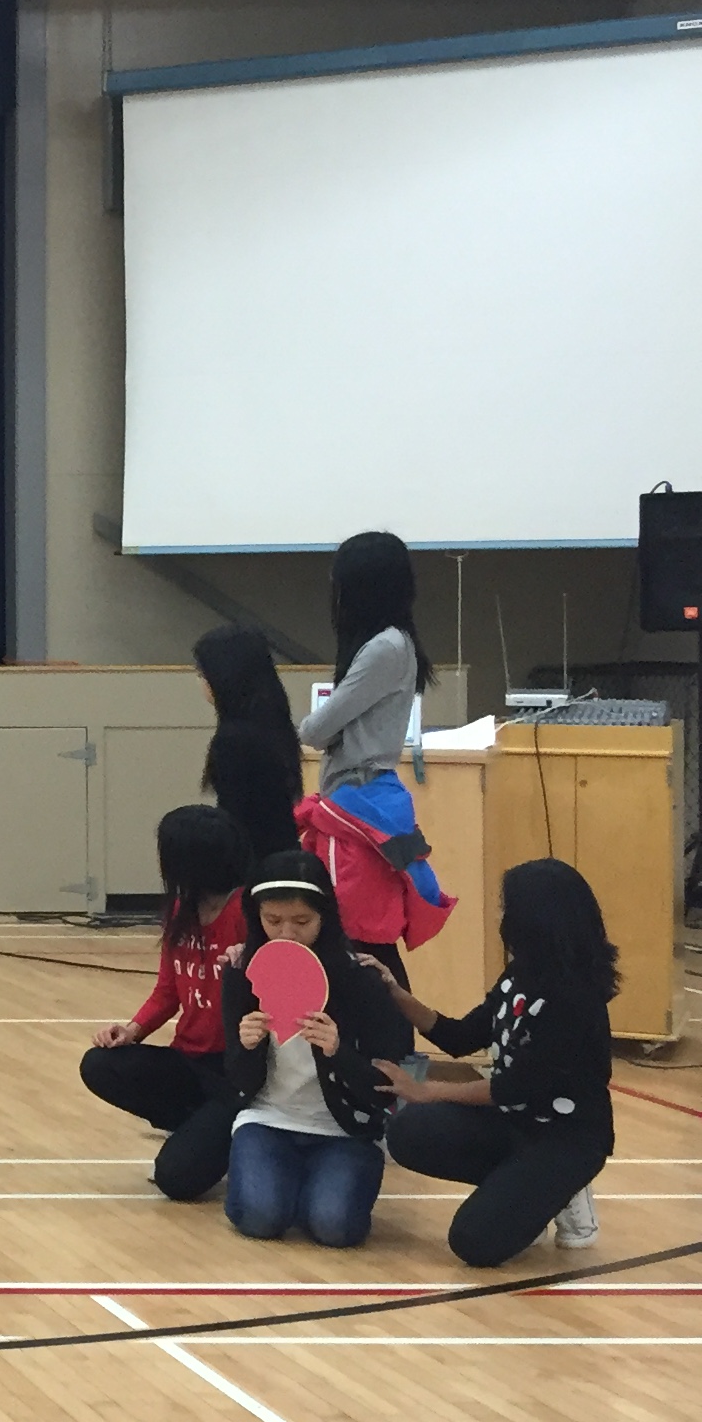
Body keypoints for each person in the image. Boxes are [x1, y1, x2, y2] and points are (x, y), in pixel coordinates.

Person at [376, 858, 616, 1263]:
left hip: (567, 1136)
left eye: (507, 908)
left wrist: (427, 1090)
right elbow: (460, 1037)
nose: (500, 917)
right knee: (409, 1132)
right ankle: (530, 1194)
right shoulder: (521, 974)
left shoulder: (573, 1000)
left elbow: (513, 1087)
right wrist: (396, 994)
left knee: (474, 1242)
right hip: (516, 1123)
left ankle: (562, 1188)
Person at [217, 850, 404, 1249]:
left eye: (302, 922)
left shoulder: (360, 978)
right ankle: (277, 1185)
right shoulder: (242, 974)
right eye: (273, 921)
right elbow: (237, 1078)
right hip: (268, 1120)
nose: (287, 932)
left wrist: (339, 1051)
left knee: (335, 1227)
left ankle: (313, 1188)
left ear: (324, 916)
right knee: (261, 1217)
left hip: (344, 1129)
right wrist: (247, 1047)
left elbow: (385, 1086)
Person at [296, 530, 450, 980]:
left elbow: (316, 730)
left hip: (359, 803)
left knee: (361, 934)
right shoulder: (392, 643)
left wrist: (303, 728)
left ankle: (394, 1025)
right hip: (364, 798)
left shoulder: (385, 647)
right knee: (361, 935)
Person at [80, 804, 253, 1199]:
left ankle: (233, 1127)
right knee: (100, 1064)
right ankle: (197, 1125)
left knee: (176, 1180)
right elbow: (168, 991)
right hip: (188, 1060)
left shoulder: (246, 911)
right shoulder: (180, 909)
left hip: (235, 1070)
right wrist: (132, 1030)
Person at [193, 622, 303, 859]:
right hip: (283, 855)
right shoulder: (273, 723)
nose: (201, 681)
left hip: (254, 864)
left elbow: (235, 821)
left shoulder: (234, 739)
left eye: (203, 673)